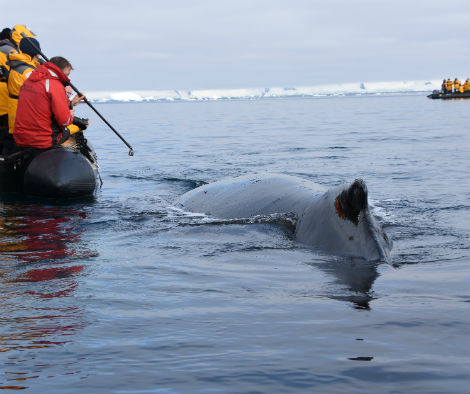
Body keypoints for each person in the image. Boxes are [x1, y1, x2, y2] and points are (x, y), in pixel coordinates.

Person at [14, 56, 87, 151]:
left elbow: (42, 104)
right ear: (60, 70)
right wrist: (70, 115)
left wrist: (71, 103)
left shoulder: (30, 81)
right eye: (67, 74)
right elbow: (64, 121)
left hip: (22, 138)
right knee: (70, 132)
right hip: (42, 141)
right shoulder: (54, 84)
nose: (67, 78)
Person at [0, 25, 35, 154]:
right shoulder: (11, 52)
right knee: (9, 138)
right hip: (5, 101)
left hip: (4, 99)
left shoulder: (2, 49)